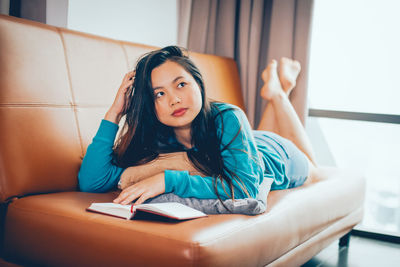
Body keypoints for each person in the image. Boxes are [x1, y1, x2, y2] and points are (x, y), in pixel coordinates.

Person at [78, 46, 320, 208]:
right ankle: (279, 90)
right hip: (243, 144)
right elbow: (92, 181)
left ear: (199, 84)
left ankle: (279, 92)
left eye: (181, 84)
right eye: (159, 94)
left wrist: (167, 179)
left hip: (277, 155)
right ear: (149, 105)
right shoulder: (152, 136)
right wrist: (115, 113)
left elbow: (245, 188)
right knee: (248, 142)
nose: (174, 99)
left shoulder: (228, 116)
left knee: (314, 168)